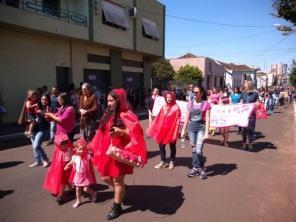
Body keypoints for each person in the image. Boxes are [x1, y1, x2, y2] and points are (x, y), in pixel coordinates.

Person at [90, 88, 147, 220]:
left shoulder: (127, 114)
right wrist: (92, 146)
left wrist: (120, 132)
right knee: (105, 177)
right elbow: (100, 133)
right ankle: (121, 189)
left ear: (119, 100)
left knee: (117, 180)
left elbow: (136, 134)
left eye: (111, 100)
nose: (109, 103)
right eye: (108, 100)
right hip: (106, 151)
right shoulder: (107, 114)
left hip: (119, 152)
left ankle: (117, 206)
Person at [181, 86, 211, 179]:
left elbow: (208, 118)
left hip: (201, 127)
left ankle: (201, 168)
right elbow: (187, 118)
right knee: (194, 149)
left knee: (198, 150)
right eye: (193, 92)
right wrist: (183, 130)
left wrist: (207, 132)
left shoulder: (206, 104)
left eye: (196, 92)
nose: (194, 94)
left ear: (201, 93)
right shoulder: (190, 104)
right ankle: (195, 168)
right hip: (192, 128)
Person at [147, 91, 181, 170]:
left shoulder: (176, 107)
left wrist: (176, 130)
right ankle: (163, 161)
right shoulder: (163, 107)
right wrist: (155, 127)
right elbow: (159, 118)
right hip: (163, 130)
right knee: (161, 145)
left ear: (173, 98)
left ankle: (172, 161)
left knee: (172, 146)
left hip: (172, 130)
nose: (169, 99)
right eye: (167, 97)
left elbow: (178, 121)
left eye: (170, 97)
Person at [64, 138, 97, 208]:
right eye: (79, 149)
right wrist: (67, 166)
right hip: (78, 175)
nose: (81, 151)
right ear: (76, 149)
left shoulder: (87, 156)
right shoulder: (74, 157)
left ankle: (93, 193)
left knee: (86, 189)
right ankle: (78, 200)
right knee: (77, 189)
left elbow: (94, 158)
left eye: (83, 149)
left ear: (86, 149)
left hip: (86, 175)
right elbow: (70, 163)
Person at [43, 132, 74, 204]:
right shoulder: (58, 150)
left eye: (65, 143)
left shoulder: (69, 149)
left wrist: (69, 164)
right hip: (60, 168)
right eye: (62, 144)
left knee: (63, 181)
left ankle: (61, 196)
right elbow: (55, 160)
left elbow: (73, 157)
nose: (64, 146)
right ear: (58, 145)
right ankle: (71, 189)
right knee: (65, 180)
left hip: (67, 167)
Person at [28, 94, 51, 168]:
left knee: (36, 146)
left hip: (43, 129)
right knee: (34, 147)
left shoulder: (48, 108)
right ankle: (38, 161)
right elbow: (31, 115)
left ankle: (45, 159)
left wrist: (43, 112)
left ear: (48, 100)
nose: (44, 101)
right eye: (42, 99)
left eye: (45, 100)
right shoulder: (37, 106)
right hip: (34, 129)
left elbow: (48, 119)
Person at [241, 81, 259, 150]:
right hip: (244, 114)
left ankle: (250, 143)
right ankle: (244, 143)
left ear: (249, 85)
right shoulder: (243, 94)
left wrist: (256, 104)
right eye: (244, 85)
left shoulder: (255, 94)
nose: (244, 86)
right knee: (243, 130)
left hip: (251, 114)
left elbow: (257, 102)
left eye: (245, 85)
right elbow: (241, 102)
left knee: (251, 129)